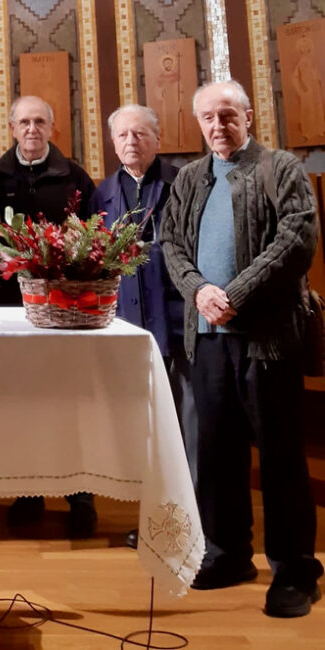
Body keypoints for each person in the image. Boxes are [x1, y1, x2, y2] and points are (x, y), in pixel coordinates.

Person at [161, 81, 322, 618]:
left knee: (280, 458)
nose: (218, 126)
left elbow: (296, 239)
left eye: (227, 115)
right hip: (206, 340)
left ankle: (295, 570)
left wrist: (234, 293)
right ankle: (229, 554)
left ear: (248, 117)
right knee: (216, 454)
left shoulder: (281, 168)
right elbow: (171, 243)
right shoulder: (189, 178)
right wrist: (199, 290)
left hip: (267, 341)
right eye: (208, 117)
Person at [0, 94, 97, 537]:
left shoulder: (74, 177)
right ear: (12, 128)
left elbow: (94, 238)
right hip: (11, 310)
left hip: (66, 309)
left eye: (39, 122)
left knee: (70, 402)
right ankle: (29, 490)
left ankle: (80, 495)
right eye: (24, 122)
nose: (31, 130)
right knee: (21, 402)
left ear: (52, 128)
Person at [92, 105, 193, 547]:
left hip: (179, 321)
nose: (131, 141)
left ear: (158, 138)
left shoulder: (183, 183)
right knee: (145, 428)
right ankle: (156, 516)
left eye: (140, 134)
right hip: (126, 325)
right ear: (113, 143)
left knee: (185, 427)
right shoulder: (102, 193)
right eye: (123, 135)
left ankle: (188, 520)